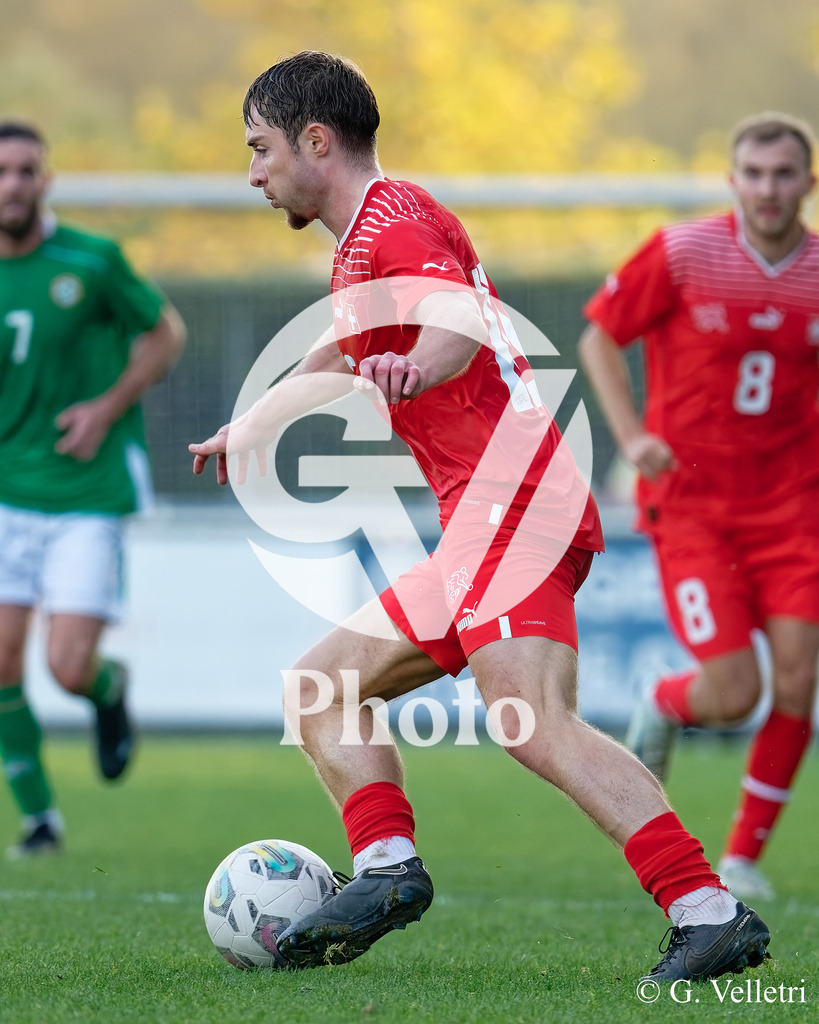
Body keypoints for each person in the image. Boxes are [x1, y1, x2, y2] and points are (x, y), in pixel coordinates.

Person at [190, 52, 771, 982]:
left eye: (260, 149)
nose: (253, 173)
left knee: (530, 719)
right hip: (484, 518)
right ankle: (385, 870)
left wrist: (421, 362)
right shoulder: (363, 245)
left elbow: (453, 318)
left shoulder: (394, 219)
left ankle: (706, 911)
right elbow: (339, 355)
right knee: (318, 689)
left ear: (315, 141)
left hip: (515, 500)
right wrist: (248, 426)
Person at [578, 112, 818, 902]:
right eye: (753, 173)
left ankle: (742, 858)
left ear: (807, 182)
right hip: (691, 506)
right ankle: (665, 701)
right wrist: (632, 434)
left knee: (795, 682)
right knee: (734, 692)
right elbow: (597, 338)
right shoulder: (684, 252)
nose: (768, 189)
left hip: (793, 506)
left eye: (783, 174)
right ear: (732, 181)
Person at [0, 121, 186, 857]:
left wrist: (107, 408)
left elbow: (165, 333)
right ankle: (40, 818)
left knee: (66, 667)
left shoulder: (92, 259)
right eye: (2, 171)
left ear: (45, 180)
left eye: (25, 171)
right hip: (7, 492)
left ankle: (108, 691)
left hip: (84, 490)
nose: (12, 184)